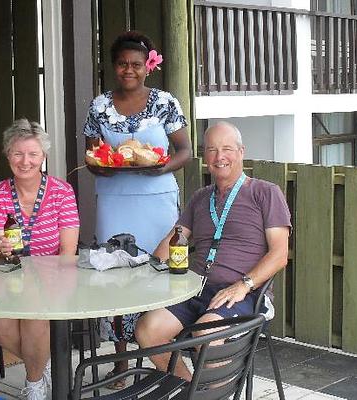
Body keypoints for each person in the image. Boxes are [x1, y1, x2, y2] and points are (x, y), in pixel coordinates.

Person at [135, 121, 291, 380]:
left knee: (206, 333)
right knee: (148, 330)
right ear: (205, 156)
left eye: (227, 149)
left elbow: (279, 254)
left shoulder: (265, 193)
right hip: (195, 288)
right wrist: (146, 270)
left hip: (244, 293)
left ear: (241, 152)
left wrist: (243, 285)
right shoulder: (200, 197)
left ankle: (211, 395)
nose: (220, 157)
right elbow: (175, 237)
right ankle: (188, 389)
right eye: (212, 150)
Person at [82, 30, 192, 388]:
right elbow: (92, 154)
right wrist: (99, 165)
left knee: (158, 275)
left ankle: (158, 352)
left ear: (148, 67)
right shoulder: (98, 105)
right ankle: (119, 361)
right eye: (121, 64)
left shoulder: (165, 102)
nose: (128, 70)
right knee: (114, 279)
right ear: (113, 66)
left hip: (158, 201)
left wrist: (161, 167)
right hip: (114, 202)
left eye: (135, 64)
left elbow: (185, 151)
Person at [0, 118, 80, 400]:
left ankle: (35, 384)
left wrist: (53, 284)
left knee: (34, 315)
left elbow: (68, 249)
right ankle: (44, 364)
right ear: (7, 155)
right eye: (18, 153)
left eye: (33, 154)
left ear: (44, 157)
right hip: (11, 275)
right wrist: (2, 247)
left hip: (54, 274)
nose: (25, 161)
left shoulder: (62, 191)